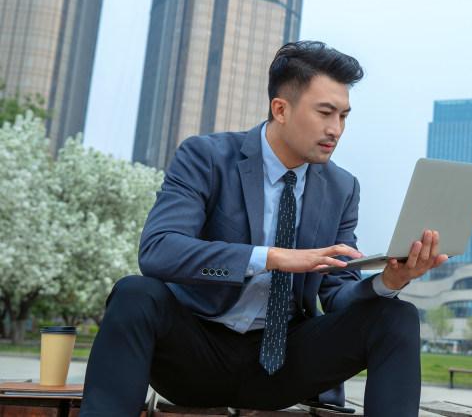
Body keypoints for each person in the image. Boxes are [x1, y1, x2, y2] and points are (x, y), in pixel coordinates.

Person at [80, 41, 447, 416]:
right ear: (281, 109)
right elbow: (158, 250)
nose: (335, 129)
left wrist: (390, 281)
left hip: (284, 364)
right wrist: (270, 257)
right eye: (325, 113)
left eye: (343, 116)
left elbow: (337, 294)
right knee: (134, 293)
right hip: (195, 354)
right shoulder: (206, 157)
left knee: (397, 315)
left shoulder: (342, 188)